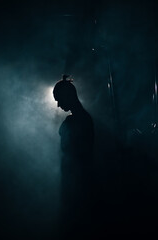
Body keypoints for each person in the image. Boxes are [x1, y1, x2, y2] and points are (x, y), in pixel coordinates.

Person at [53, 74, 94, 238]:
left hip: (77, 183)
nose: (58, 104)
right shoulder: (82, 119)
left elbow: (78, 155)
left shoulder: (78, 121)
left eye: (58, 99)